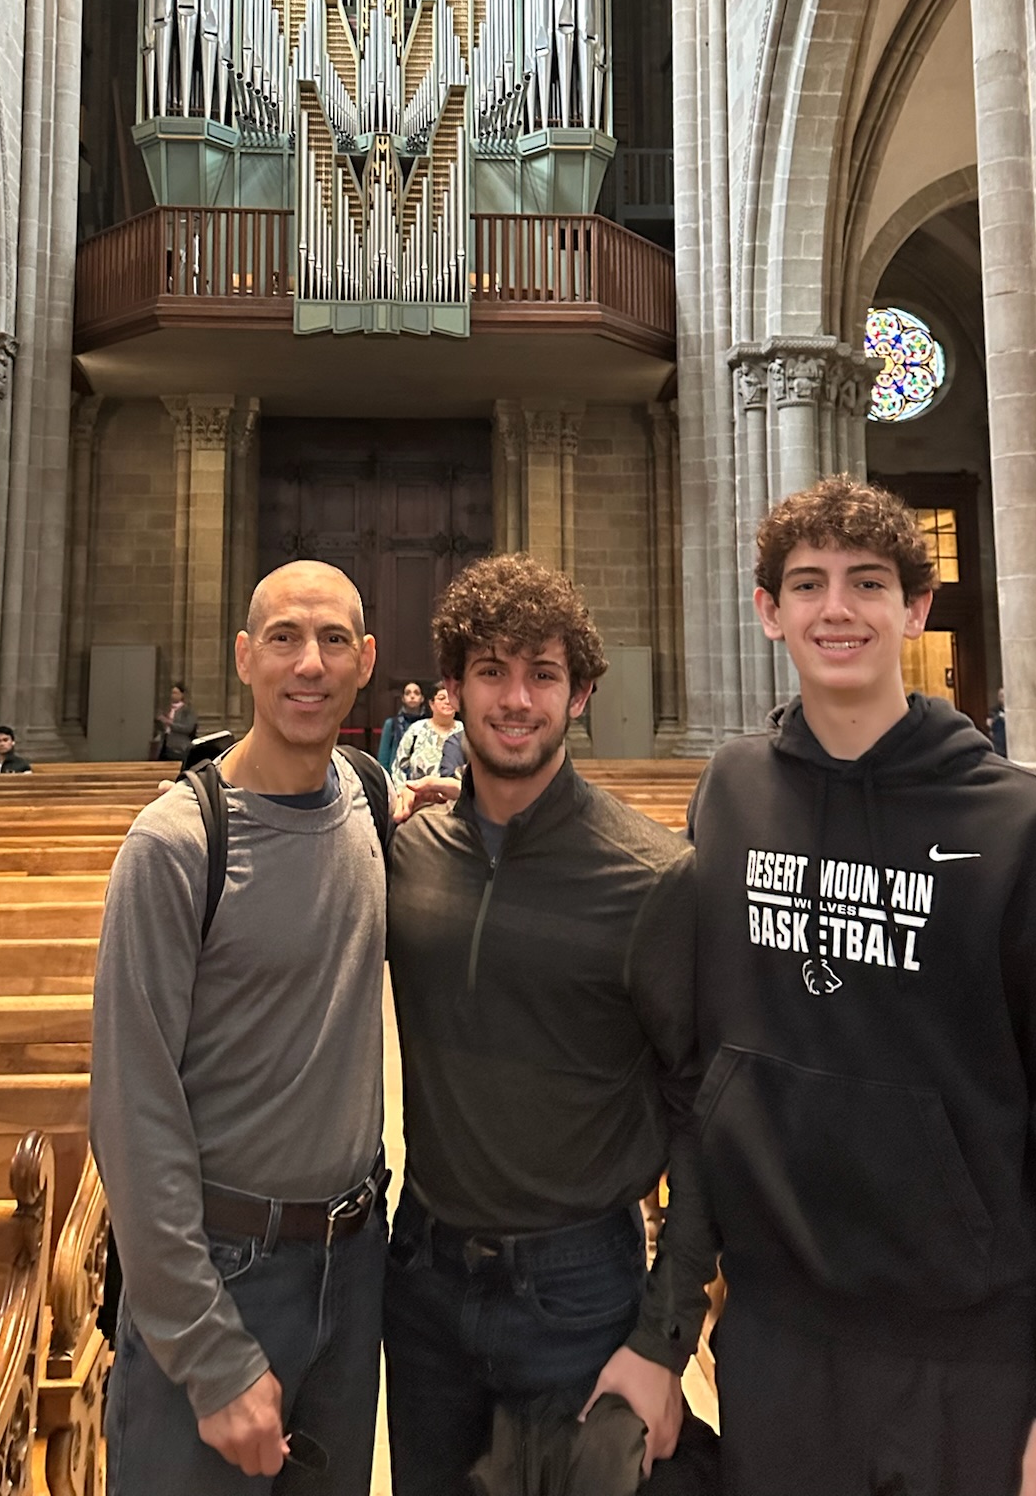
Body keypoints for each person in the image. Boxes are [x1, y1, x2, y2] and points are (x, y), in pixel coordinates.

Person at [665, 476, 1036, 1496]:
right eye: (808, 584)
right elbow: (703, 1045)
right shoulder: (733, 792)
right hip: (779, 1326)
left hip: (969, 1344)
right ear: (769, 610)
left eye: (868, 582)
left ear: (915, 607)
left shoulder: (1019, 825)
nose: (837, 608)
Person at [384, 554, 704, 1495]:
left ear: (581, 694)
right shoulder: (408, 855)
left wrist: (665, 1340)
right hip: (425, 1272)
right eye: (490, 670)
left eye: (542, 674)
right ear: (452, 688)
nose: (514, 698)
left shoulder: (652, 876)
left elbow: (703, 1122)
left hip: (577, 1286)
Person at [92, 560, 392, 1494]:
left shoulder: (372, 799)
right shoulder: (174, 847)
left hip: (352, 1266)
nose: (310, 663)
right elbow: (132, 1118)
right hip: (221, 1274)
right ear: (244, 657)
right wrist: (208, 1352)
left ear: (366, 661)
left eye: (333, 640)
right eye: (284, 638)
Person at [390, 680, 460, 787]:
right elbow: (399, 766)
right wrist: (402, 792)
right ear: (432, 704)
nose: (447, 702)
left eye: (451, 698)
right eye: (441, 698)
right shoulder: (416, 729)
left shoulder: (465, 730)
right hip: (419, 797)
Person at [378, 679, 429, 774]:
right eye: (408, 693)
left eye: (416, 693)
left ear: (422, 698)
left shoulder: (428, 724)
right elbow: (383, 758)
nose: (412, 696)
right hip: (396, 777)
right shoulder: (392, 724)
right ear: (403, 698)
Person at [154, 681, 199, 764]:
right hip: (165, 744)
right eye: (172, 693)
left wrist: (170, 723)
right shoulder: (167, 709)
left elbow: (188, 728)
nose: (173, 695)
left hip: (180, 746)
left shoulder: (187, 711)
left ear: (182, 695)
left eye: (175, 693)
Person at [989, 683, 1008, 756]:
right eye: (1000, 696)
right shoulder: (994, 711)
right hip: (999, 744)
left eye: (1003, 696)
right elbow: (990, 724)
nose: (1002, 698)